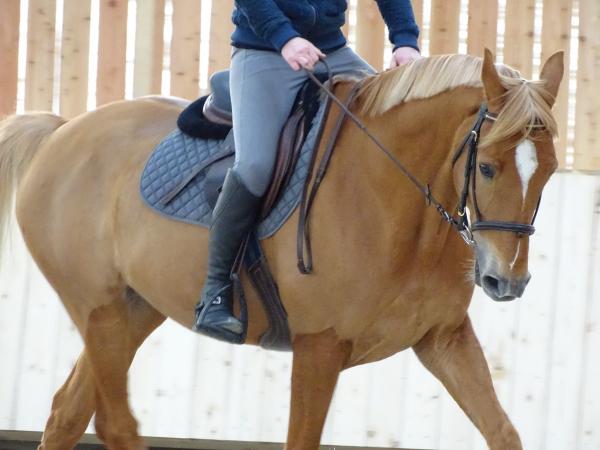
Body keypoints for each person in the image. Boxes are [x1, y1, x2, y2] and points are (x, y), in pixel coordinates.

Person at [193, 0, 421, 343]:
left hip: (331, 52)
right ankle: (215, 290)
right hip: (264, 53)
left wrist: (405, 40)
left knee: (392, 134)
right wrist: (285, 38)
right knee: (255, 166)